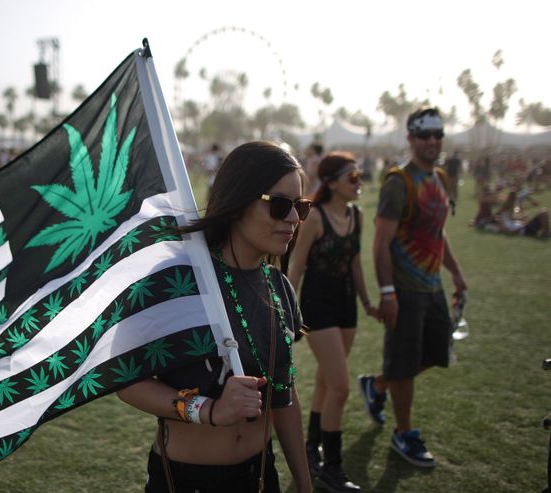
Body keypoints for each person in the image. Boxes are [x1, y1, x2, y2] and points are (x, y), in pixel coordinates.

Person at [117, 141, 312, 493]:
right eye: (280, 205)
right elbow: (127, 382)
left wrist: (303, 478)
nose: (294, 218)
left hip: (261, 474)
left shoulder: (279, 286)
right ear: (239, 201)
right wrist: (207, 410)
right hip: (184, 479)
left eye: (300, 206)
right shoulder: (176, 280)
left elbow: (285, 393)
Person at [358, 106, 467, 468]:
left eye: (438, 134)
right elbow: (381, 243)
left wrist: (455, 272)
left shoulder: (439, 179)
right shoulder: (398, 182)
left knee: (436, 353)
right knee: (405, 362)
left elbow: (438, 233)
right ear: (411, 139)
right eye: (425, 135)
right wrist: (387, 293)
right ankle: (404, 432)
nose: (433, 141)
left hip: (432, 286)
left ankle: (378, 385)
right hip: (404, 290)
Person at [287, 152, 380, 492]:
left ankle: (313, 447)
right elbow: (296, 266)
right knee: (340, 387)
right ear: (331, 182)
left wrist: (367, 301)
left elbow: (355, 262)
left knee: (328, 381)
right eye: (352, 177)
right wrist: (287, 309)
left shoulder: (357, 216)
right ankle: (331, 469)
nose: (359, 182)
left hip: (346, 306)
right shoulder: (314, 217)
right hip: (316, 306)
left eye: (359, 176)